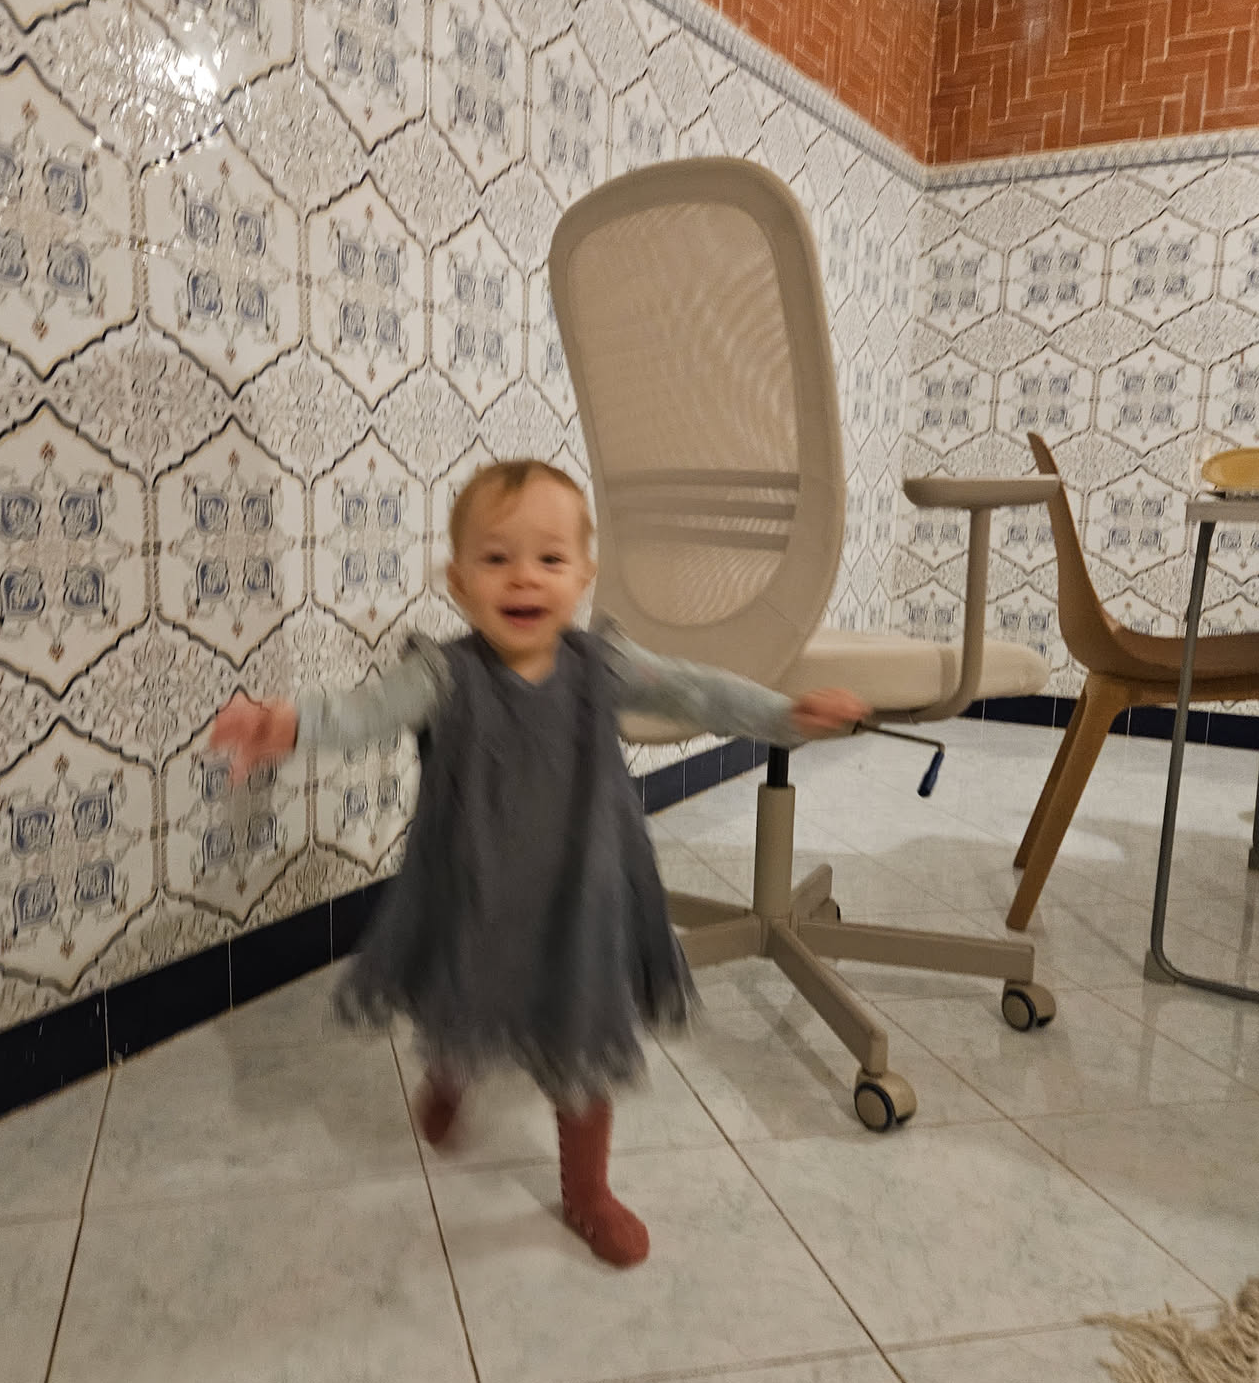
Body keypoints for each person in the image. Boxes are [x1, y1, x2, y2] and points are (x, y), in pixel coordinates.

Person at [211, 460, 865, 1268]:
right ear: (459, 582)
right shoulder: (443, 676)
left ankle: (587, 1191)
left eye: (550, 559)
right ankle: (451, 1074)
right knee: (463, 1000)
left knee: (580, 1043)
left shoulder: (603, 667)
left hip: (581, 899)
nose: (524, 577)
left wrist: (787, 714)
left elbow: (697, 692)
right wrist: (286, 724)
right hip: (475, 891)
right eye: (496, 558)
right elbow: (363, 713)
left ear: (584, 576)